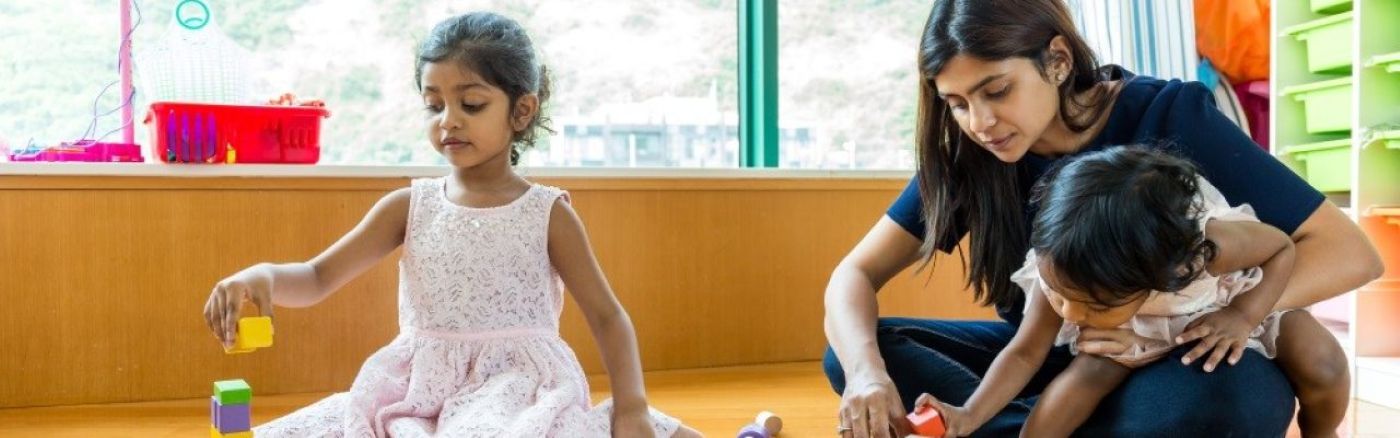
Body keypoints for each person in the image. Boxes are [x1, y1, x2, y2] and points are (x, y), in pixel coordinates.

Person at [821, 0, 1382, 436]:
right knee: (861, 353)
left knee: (1227, 398)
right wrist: (868, 374)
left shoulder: (1169, 115)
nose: (980, 122)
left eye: (997, 91)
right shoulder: (968, 155)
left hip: (1175, 355)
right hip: (1049, 357)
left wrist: (1181, 319)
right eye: (957, 103)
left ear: (1058, 61)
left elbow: (1349, 253)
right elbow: (854, 276)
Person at [202, 12, 701, 437]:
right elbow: (316, 277)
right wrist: (262, 275)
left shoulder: (547, 213)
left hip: (516, 389)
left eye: (471, 104)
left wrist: (632, 406)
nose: (448, 120)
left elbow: (607, 317)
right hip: (413, 390)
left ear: (522, 111)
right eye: (434, 104)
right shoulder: (408, 206)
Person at [921, 146, 1348, 437]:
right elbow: (1023, 353)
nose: (1070, 313)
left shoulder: (1208, 249)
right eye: (1060, 295)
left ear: (1166, 271)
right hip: (1132, 334)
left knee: (1322, 361)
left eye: (1093, 304)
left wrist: (1243, 316)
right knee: (1084, 378)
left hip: (1223, 306)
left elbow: (1281, 247)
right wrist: (968, 414)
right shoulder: (1063, 269)